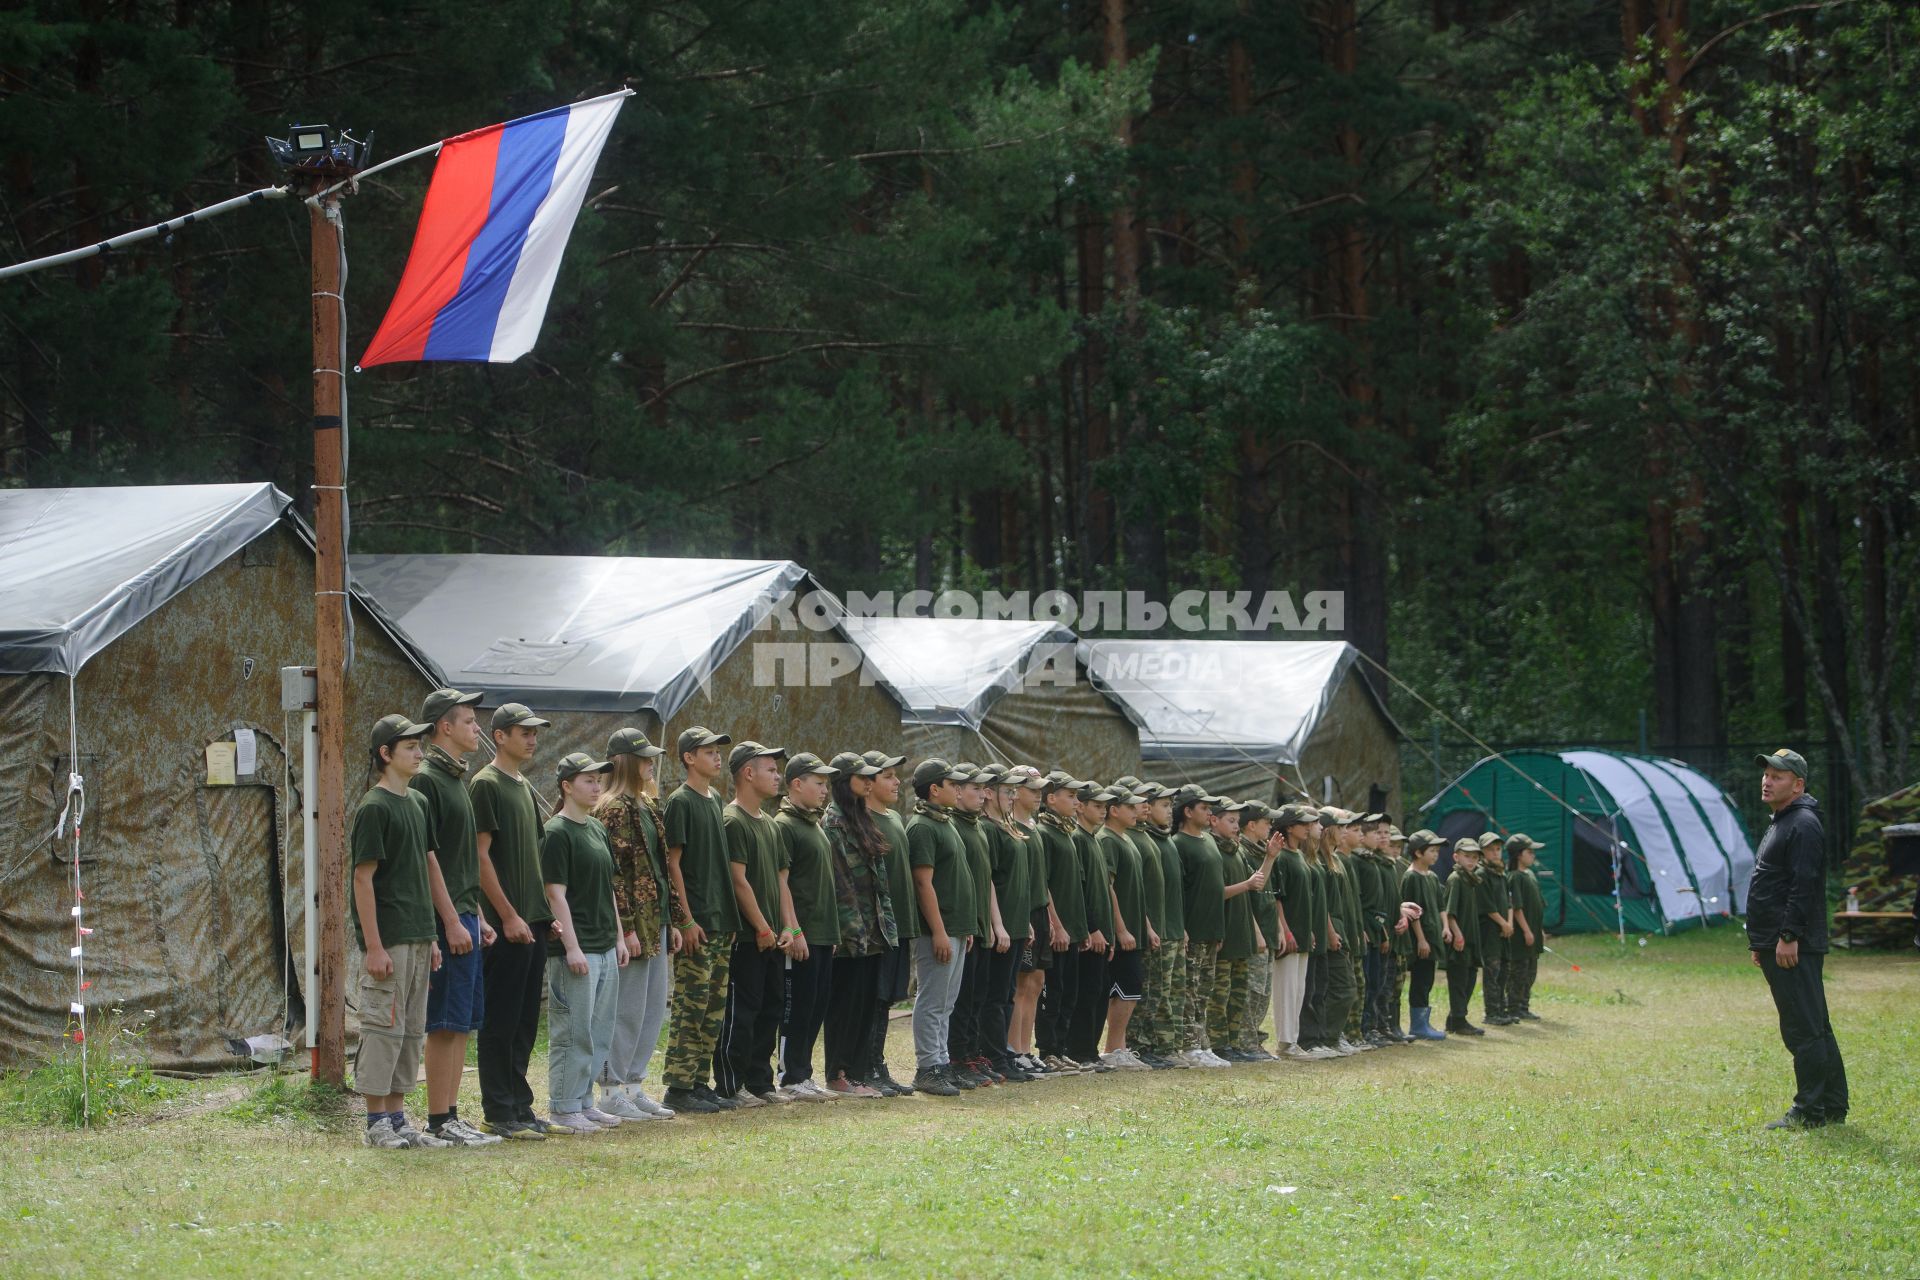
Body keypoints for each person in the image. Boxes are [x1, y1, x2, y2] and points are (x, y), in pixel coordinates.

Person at [407, 688, 501, 1146]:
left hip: (465, 913)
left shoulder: (456, 779)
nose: (476, 728)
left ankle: (452, 1113)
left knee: (463, 1021)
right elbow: (428, 860)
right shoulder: (426, 779)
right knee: (443, 1021)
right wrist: (447, 919)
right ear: (444, 726)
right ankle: (438, 1118)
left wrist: (477, 914)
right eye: (468, 721)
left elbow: (461, 859)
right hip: (445, 919)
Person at [351, 713, 449, 1148]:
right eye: (409, 747)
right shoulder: (374, 807)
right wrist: (373, 945)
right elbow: (362, 878)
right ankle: (375, 1122)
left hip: (418, 935)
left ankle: (397, 1115)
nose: (419, 753)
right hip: (388, 940)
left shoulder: (418, 803)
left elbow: (426, 867)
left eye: (419, 746)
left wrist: (432, 935)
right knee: (382, 1027)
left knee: (411, 1030)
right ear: (385, 754)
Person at [1748, 749, 1848, 1129]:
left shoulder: (1802, 823)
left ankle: (1809, 1111)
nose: (1767, 780)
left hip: (1793, 945)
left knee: (1802, 1027)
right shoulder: (1784, 820)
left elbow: (1803, 886)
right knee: (1815, 1024)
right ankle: (1833, 1104)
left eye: (1778, 776)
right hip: (1777, 943)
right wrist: (1761, 943)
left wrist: (1788, 936)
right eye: (1767, 774)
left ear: (1798, 784)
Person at [472, 702, 556, 1138]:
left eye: (535, 732)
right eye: (523, 731)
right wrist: (506, 916)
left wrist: (544, 914)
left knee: (525, 1019)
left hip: (533, 923)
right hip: (507, 925)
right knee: (501, 1019)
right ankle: (499, 1109)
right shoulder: (485, 785)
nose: (532, 738)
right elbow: (480, 856)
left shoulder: (523, 786)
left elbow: (534, 859)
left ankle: (520, 1105)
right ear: (499, 736)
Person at [541, 752, 628, 1134]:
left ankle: (584, 1102)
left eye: (598, 780)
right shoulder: (557, 832)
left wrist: (620, 937)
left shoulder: (596, 829)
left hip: (605, 946)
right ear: (566, 786)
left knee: (598, 1030)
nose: (596, 787)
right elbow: (554, 894)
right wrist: (572, 947)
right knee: (573, 1031)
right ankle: (563, 1106)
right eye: (588, 780)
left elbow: (608, 887)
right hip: (577, 950)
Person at [594, 728, 678, 1121]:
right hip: (632, 924)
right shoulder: (611, 808)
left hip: (655, 919)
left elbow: (659, 867)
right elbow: (614, 875)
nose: (650, 762)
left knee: (652, 1006)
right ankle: (611, 1089)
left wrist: (673, 918)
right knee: (626, 1007)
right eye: (643, 757)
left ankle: (633, 1084)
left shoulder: (646, 804)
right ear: (624, 761)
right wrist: (625, 929)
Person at [659, 725, 740, 1115]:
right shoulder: (681, 801)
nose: (716, 756)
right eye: (708, 751)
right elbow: (672, 863)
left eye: (718, 751)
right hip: (698, 921)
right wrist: (685, 920)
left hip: (721, 919)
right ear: (689, 757)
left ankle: (698, 1081)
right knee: (691, 1004)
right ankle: (678, 1086)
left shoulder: (715, 799)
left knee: (713, 1006)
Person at [717, 741, 796, 1107]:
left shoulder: (770, 825)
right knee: (742, 1011)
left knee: (771, 1007)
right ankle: (731, 1084)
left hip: (771, 937)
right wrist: (762, 927)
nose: (777, 776)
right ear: (748, 773)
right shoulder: (732, 820)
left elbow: (781, 881)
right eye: (770, 769)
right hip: (748, 938)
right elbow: (738, 880)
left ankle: (759, 1081)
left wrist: (786, 927)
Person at [820, 751, 897, 1098]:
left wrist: (884, 928)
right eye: (862, 778)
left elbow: (879, 883)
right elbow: (840, 883)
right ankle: (837, 1073)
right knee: (844, 1005)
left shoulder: (862, 818)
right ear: (844, 781)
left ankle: (857, 1072)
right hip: (851, 933)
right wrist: (853, 931)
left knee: (866, 1002)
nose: (869, 783)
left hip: (873, 930)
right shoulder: (833, 822)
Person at [773, 751, 842, 1101]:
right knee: (797, 1005)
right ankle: (789, 1076)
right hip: (801, 933)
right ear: (797, 784)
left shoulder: (813, 822)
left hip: (822, 932)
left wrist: (831, 932)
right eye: (819, 783)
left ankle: (803, 1073)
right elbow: (781, 881)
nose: (825, 790)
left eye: (827, 784)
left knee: (816, 1004)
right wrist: (793, 928)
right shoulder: (785, 824)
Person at [906, 757, 974, 1096]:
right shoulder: (922, 827)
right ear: (934, 790)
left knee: (946, 1001)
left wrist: (965, 927)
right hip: (938, 929)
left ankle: (941, 1061)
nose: (958, 789)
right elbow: (923, 883)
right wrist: (939, 931)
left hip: (956, 927)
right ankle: (927, 1067)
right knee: (932, 1000)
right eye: (952, 784)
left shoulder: (944, 823)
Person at [861, 749, 916, 1096]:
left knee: (887, 1000)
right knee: (873, 997)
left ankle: (877, 1062)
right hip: (876, 929)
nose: (897, 782)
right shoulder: (863, 821)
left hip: (900, 926)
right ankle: (866, 1064)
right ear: (868, 785)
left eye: (897, 776)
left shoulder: (895, 818)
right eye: (888, 776)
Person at [948, 763, 1004, 1087]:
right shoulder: (955, 826)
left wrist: (996, 924)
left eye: (985, 789)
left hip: (982, 927)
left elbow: (988, 881)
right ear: (957, 792)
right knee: (961, 998)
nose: (983, 795)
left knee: (976, 997)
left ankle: (970, 1054)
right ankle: (956, 1058)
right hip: (966, 926)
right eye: (975, 789)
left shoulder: (978, 827)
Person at [1004, 766, 1061, 1077]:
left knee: (1037, 982)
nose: (1038, 794)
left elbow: (1042, 879)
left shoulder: (1033, 827)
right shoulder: (1012, 827)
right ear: (1014, 791)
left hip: (1039, 912)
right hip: (1021, 912)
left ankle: (1026, 1048)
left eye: (1041, 789)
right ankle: (1014, 1049)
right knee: (1021, 984)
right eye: (1032, 788)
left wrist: (1051, 917)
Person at [982, 767, 1037, 1082]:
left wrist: (1025, 920)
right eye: (1008, 790)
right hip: (1001, 925)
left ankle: (1003, 1054)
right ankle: (994, 1056)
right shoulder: (990, 829)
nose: (1014, 796)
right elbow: (989, 879)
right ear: (990, 792)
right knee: (996, 995)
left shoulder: (1009, 827)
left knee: (1006, 993)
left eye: (1017, 790)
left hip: (1016, 923)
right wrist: (997, 923)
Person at [1033, 771, 1090, 1075]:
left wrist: (1080, 928)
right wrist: (1056, 924)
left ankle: (1061, 1047)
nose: (1076, 802)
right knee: (1052, 993)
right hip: (1057, 929)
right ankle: (1047, 1050)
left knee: (1069, 993)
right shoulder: (1044, 832)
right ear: (1051, 798)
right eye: (1070, 796)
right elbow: (1045, 883)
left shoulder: (1067, 832)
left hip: (1073, 928)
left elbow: (1075, 885)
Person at [1135, 783, 1189, 1070]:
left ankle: (1169, 1045)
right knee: (1153, 992)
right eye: (1163, 805)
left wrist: (1181, 926)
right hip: (1155, 929)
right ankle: (1145, 1045)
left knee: (1173, 992)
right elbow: (1139, 890)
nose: (1169, 812)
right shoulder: (1145, 840)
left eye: (1170, 806)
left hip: (1173, 928)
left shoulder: (1166, 841)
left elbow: (1173, 890)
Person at [1098, 787, 1151, 1071]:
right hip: (1121, 932)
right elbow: (1109, 887)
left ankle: (1120, 1046)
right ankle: (1111, 1049)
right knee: (1122, 988)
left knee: (1132, 988)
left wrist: (1147, 926)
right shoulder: (1107, 840)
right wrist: (1120, 928)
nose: (1136, 810)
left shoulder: (1127, 839)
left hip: (1135, 929)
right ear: (1114, 810)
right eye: (1129, 806)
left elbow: (1136, 890)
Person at [1069, 782, 1117, 1068]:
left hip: (1103, 932)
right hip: (1090, 932)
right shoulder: (1078, 838)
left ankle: (1090, 1050)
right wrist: (1093, 927)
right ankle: (1078, 1049)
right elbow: (1080, 889)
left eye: (1104, 806)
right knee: (1085, 993)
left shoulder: (1095, 839)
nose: (1103, 811)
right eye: (1097, 806)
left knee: (1099, 991)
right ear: (1081, 806)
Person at [1270, 804, 1314, 1057]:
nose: (1308, 828)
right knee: (1286, 988)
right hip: (1289, 933)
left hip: (1302, 931)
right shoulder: (1283, 857)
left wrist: (1308, 930)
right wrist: (1285, 931)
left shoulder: (1299, 856)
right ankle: (1285, 1041)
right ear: (1288, 827)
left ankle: (1293, 1039)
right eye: (1303, 823)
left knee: (1298, 988)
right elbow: (1278, 898)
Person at [1399, 830, 1448, 1040]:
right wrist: (1421, 939)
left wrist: (1445, 927)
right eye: (1432, 850)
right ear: (1418, 853)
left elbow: (1440, 906)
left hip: (1434, 938)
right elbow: (1413, 913)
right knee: (1420, 981)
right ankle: (1418, 1025)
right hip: (1421, 941)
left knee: (1427, 980)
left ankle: (1424, 1021)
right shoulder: (1411, 877)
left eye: (1438, 850)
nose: (1436, 854)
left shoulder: (1433, 877)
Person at [1441, 838, 1485, 1036]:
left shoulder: (1471, 879)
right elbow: (1449, 911)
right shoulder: (1456, 879)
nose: (1471, 860)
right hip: (1461, 940)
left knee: (1469, 978)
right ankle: (1459, 1020)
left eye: (1475, 857)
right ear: (1456, 857)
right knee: (1459, 981)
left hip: (1472, 939)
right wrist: (1458, 935)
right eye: (1467, 856)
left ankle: (1454, 1019)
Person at [1505, 834, 1546, 1022]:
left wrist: (1539, 931)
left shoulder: (1529, 875)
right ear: (1518, 855)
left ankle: (1524, 1005)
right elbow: (1517, 907)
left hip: (1533, 932)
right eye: (1529, 852)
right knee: (1519, 971)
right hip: (1521, 936)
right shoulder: (1514, 877)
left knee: (1530, 971)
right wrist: (1527, 930)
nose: (1533, 856)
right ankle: (1513, 1006)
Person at [1477, 832, 1516, 1026]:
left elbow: (1509, 901)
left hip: (1504, 930)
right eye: (1491, 850)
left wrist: (1509, 923)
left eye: (1498, 849)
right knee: (1492, 970)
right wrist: (1503, 923)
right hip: (1490, 931)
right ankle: (1491, 1012)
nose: (1495, 853)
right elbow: (1487, 905)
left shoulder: (1502, 873)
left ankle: (1502, 1008)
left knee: (1504, 970)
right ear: (1482, 852)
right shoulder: (1481, 874)